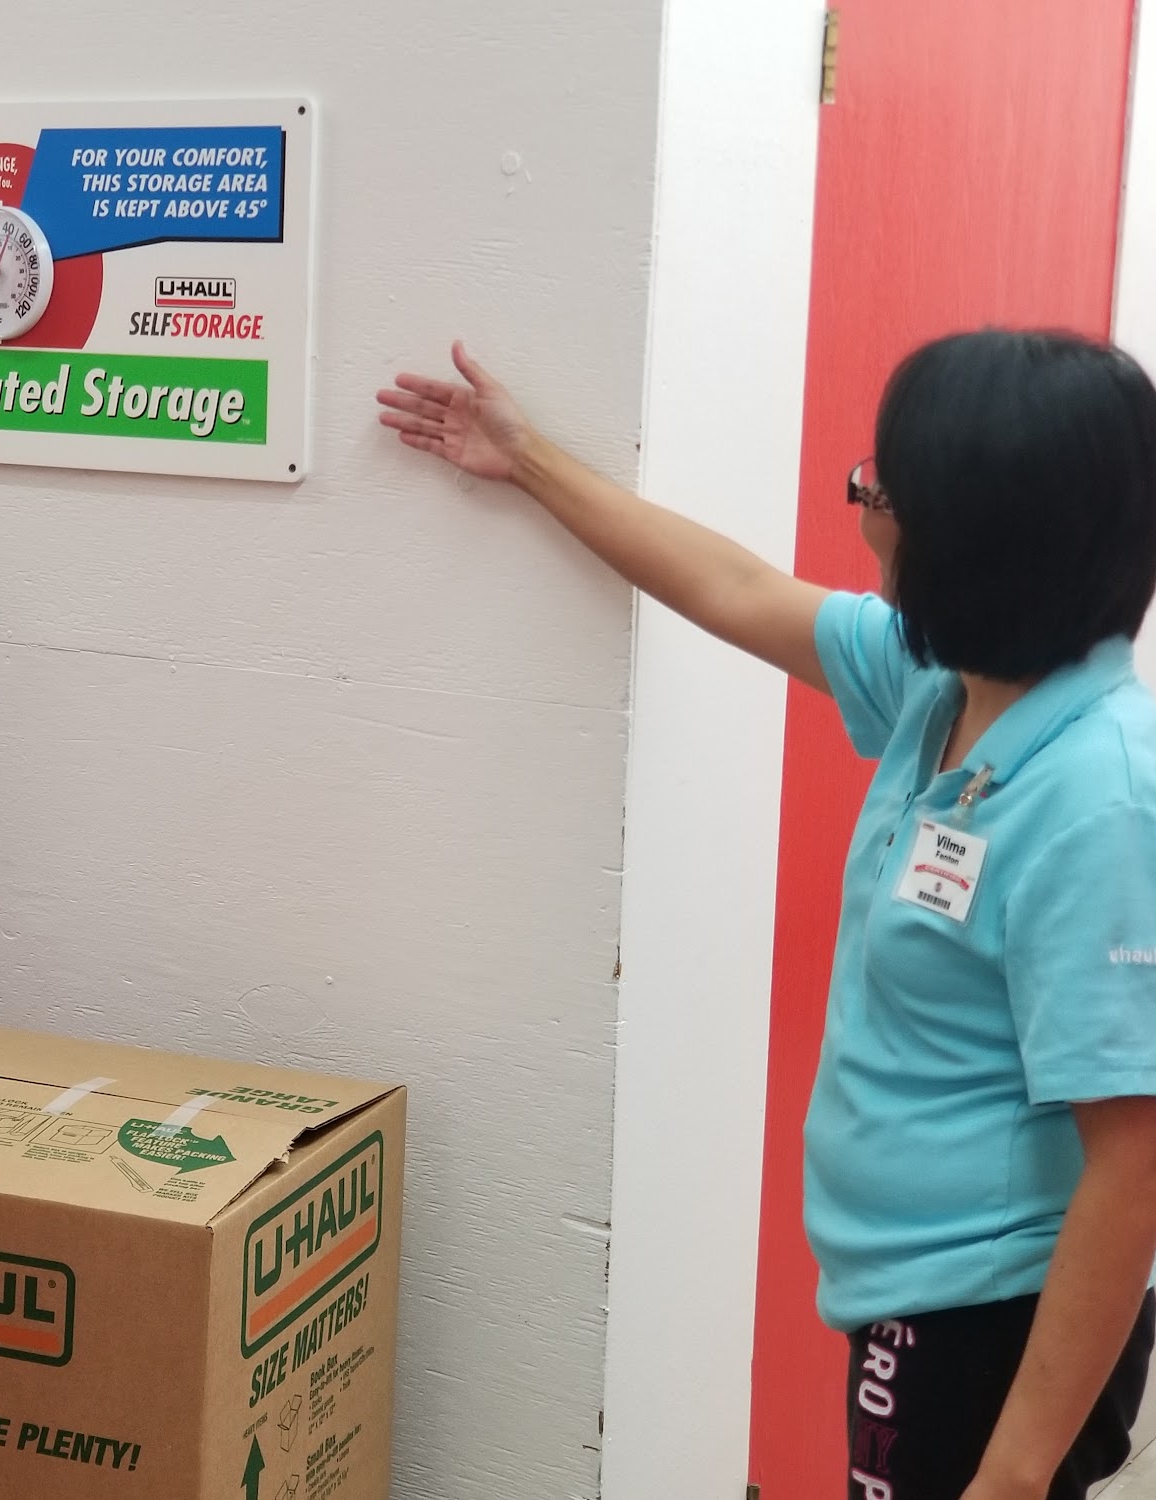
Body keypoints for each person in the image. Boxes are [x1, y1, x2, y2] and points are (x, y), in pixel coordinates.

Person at [380, 330, 1156, 1499]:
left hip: (985, 1320)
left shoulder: (1097, 796)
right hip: (914, 1291)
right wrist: (525, 457)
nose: (863, 512)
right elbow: (732, 589)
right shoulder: (945, 684)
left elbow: (1133, 1165)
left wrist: (1006, 1480)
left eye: (879, 491)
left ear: (976, 535)